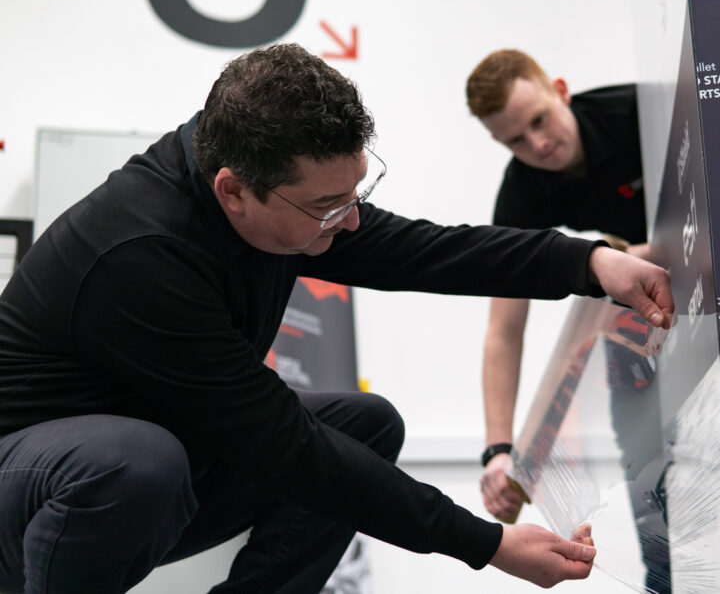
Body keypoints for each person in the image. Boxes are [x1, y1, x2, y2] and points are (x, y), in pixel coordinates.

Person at [0, 43, 673, 594]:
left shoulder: (266, 185)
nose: (349, 220)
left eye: (356, 193)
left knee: (365, 425)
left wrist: (591, 263)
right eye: (329, 206)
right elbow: (283, 443)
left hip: (154, 471)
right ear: (234, 191)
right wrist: (487, 543)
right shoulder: (143, 258)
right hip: (38, 489)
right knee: (138, 462)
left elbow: (428, 251)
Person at [466, 49, 671, 593]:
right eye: (515, 140)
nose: (537, 145)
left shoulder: (640, 114)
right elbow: (503, 329)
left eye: (540, 120)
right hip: (639, 336)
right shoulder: (523, 189)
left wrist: (618, 257)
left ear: (560, 90)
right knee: (655, 505)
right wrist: (498, 451)